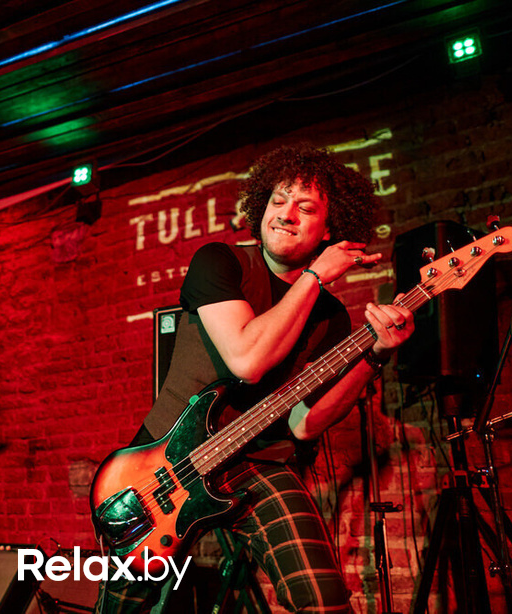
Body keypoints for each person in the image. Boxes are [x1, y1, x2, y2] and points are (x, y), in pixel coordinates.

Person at [95, 144, 415, 613]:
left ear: (329, 229)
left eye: (305, 207)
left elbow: (306, 423)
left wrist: (376, 356)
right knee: (127, 607)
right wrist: (315, 276)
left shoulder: (331, 319)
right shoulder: (221, 261)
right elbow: (246, 361)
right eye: (278, 201)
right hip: (162, 461)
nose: (287, 214)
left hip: (259, 460)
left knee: (323, 600)